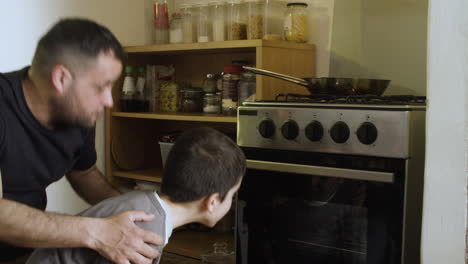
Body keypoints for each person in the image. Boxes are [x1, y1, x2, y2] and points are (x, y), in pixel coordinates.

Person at [0, 18, 163, 264]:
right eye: (102, 86)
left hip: (27, 254)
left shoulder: (78, 113)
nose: (109, 101)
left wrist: (130, 207)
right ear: (61, 79)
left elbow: (84, 175)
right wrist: (98, 232)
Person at [25, 126, 246, 264]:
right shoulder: (147, 232)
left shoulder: (145, 204)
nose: (232, 203)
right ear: (213, 201)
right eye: (232, 196)